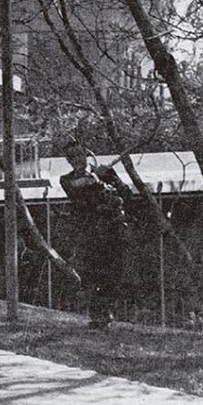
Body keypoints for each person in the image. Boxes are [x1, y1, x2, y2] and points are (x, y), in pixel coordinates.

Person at [59, 140, 132, 329]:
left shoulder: (104, 173)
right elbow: (77, 191)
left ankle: (106, 313)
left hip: (111, 232)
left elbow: (126, 193)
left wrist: (111, 178)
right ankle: (97, 315)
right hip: (88, 235)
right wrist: (96, 179)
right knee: (91, 276)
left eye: (79, 155)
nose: (76, 159)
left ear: (86, 154)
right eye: (72, 157)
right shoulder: (66, 179)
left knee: (112, 275)